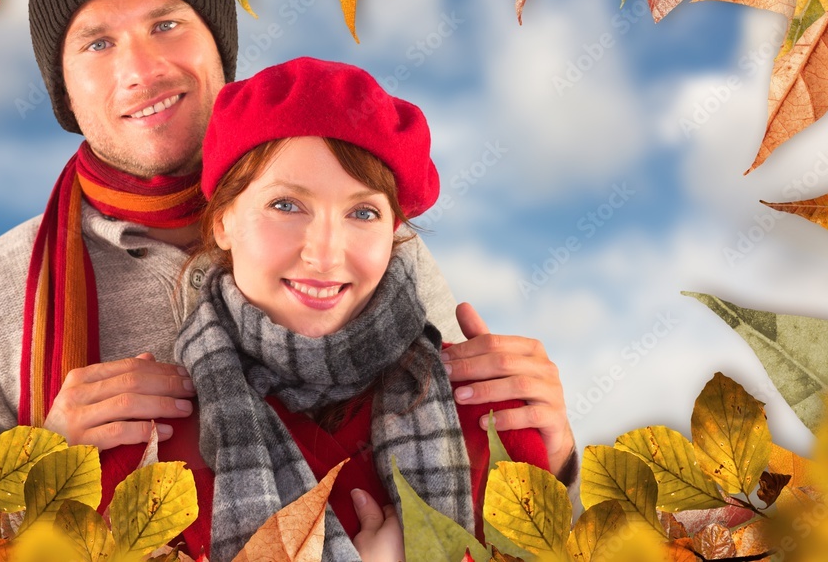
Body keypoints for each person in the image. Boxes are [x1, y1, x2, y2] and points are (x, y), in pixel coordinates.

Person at [0, 0, 576, 508]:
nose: (142, 67)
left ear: (219, 42)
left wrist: (553, 456)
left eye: (167, 23)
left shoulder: (369, 247)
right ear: (63, 88)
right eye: (98, 43)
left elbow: (467, 470)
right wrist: (34, 471)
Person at [171, 56, 554, 560]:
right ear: (223, 223)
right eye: (286, 205)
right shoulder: (155, 442)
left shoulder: (490, 418)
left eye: (362, 212)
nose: (325, 253)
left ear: (393, 232)